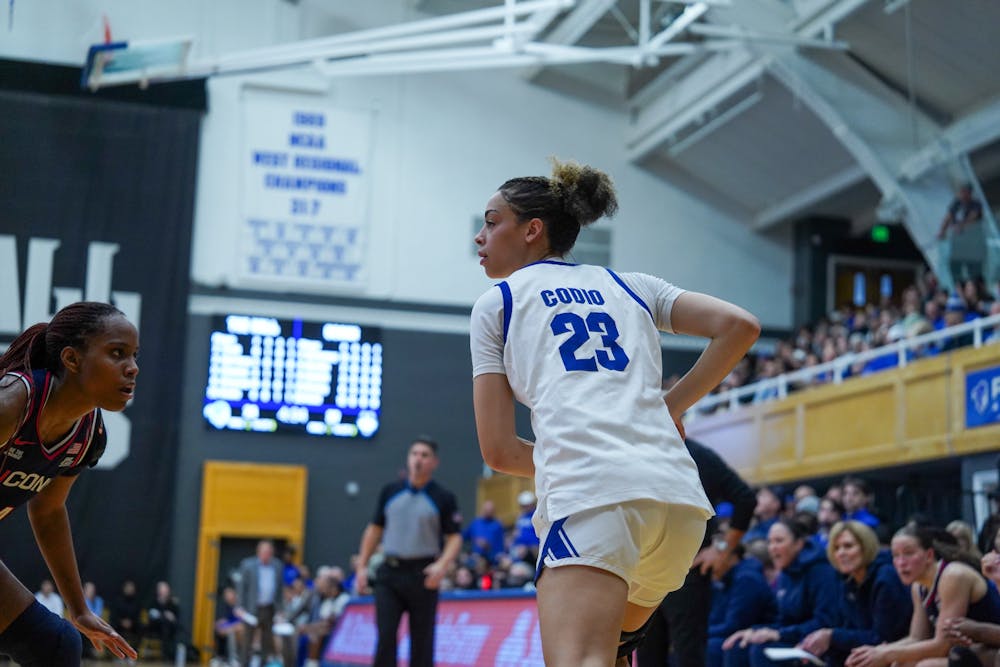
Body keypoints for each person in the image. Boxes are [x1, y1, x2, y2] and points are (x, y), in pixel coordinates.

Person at [470, 159, 760, 667]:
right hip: (677, 505)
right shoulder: (632, 285)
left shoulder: (498, 302)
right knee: (613, 655)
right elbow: (740, 326)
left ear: (532, 230)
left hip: (594, 500)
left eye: (492, 223)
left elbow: (499, 452)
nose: (480, 236)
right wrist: (669, 408)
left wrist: (583, 454)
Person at [0, 301, 139, 665]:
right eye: (117, 353)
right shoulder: (12, 403)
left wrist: (78, 609)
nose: (132, 367)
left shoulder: (87, 435)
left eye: (134, 355)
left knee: (57, 645)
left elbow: (48, 511)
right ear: (72, 359)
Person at [636, 438, 758, 667]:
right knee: (647, 655)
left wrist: (721, 549)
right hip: (645, 573)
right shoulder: (640, 449)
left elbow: (745, 498)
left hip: (688, 573)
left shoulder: (696, 454)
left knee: (688, 654)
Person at [353, 437, 462, 667]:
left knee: (422, 641)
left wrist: (442, 565)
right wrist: (362, 567)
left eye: (424, 455)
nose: (418, 459)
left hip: (423, 575)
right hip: (389, 573)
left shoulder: (443, 497)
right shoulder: (390, 491)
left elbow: (454, 537)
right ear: (408, 458)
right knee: (385, 636)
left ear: (434, 462)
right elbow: (374, 530)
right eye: (414, 454)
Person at [846, 524, 1000, 666]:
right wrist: (876, 651)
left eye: (908, 553)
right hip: (968, 651)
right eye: (895, 555)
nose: (901, 562)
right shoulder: (918, 586)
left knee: (925, 665)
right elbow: (917, 637)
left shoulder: (953, 575)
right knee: (900, 664)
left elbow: (942, 645)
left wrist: (887, 654)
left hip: (991, 648)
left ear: (929, 555)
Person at [722, 518, 842, 666]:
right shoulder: (786, 573)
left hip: (819, 645)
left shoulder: (821, 572)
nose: (772, 547)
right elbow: (783, 621)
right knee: (738, 645)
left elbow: (825, 622)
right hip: (794, 637)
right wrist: (753, 631)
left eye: (779, 541)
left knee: (761, 651)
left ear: (798, 544)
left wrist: (779, 634)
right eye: (770, 542)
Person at [798, 521, 911, 665]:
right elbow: (847, 630)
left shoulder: (886, 578)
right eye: (836, 548)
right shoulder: (848, 580)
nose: (841, 553)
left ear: (865, 547)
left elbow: (881, 638)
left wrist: (831, 636)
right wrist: (811, 646)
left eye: (848, 546)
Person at [235, 539, 294, 667]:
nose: (267, 555)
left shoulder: (277, 565)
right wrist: (239, 606)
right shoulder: (247, 565)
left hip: (269, 607)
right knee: (248, 640)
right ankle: (244, 664)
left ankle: (263, 663)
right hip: (251, 608)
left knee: (267, 641)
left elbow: (279, 589)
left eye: (269, 552)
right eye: (264, 552)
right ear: (258, 552)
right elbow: (241, 587)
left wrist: (280, 609)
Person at [463, 499, 506, 564]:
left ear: (494, 511)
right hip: (476, 555)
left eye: (490, 510)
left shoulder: (498, 525)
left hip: (492, 557)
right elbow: (463, 536)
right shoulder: (475, 523)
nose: (488, 512)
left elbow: (501, 547)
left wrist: (488, 546)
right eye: (486, 510)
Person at [145, 580, 180, 656]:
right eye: (162, 590)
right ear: (158, 591)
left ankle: (169, 652)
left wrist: (171, 617)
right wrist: (163, 615)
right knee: (164, 623)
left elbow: (176, 616)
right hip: (155, 626)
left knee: (168, 625)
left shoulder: (172, 603)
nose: (164, 592)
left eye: (165, 590)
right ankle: (165, 653)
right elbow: (151, 613)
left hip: (169, 627)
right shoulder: (153, 601)